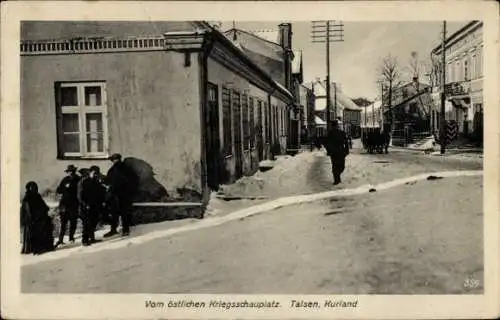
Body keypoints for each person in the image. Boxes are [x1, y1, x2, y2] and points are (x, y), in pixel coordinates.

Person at [103, 153, 138, 237]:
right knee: (114, 212)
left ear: (119, 159)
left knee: (124, 212)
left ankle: (125, 230)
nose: (115, 161)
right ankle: (114, 229)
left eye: (116, 159)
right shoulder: (112, 170)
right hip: (115, 195)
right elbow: (108, 181)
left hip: (123, 195)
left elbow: (134, 181)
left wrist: (129, 191)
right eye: (114, 160)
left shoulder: (126, 169)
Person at [21, 181, 55, 255]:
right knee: (36, 230)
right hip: (32, 220)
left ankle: (46, 246)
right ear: (29, 189)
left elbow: (43, 205)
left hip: (40, 217)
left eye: (35, 188)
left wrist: (45, 209)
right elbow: (29, 212)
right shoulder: (27, 199)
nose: (34, 189)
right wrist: (36, 217)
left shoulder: (38, 196)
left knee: (47, 224)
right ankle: (36, 248)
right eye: (32, 188)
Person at [55, 165, 80, 247]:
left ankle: (71, 237)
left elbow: (80, 190)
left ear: (74, 171)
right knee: (63, 222)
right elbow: (59, 190)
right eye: (69, 171)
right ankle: (60, 239)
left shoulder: (78, 179)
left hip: (74, 204)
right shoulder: (65, 179)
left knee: (73, 222)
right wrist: (65, 188)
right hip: (64, 204)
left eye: (72, 171)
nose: (71, 173)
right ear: (68, 172)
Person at [325, 120, 350, 185]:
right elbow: (327, 143)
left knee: (339, 166)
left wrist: (347, 150)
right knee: (338, 166)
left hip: (338, 152)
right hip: (337, 152)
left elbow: (346, 142)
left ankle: (337, 177)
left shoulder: (341, 133)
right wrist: (347, 151)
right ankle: (336, 180)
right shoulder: (331, 133)